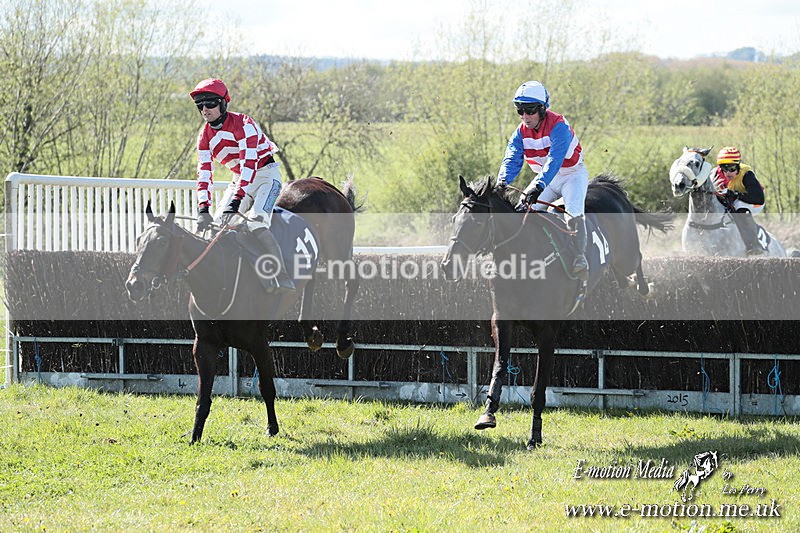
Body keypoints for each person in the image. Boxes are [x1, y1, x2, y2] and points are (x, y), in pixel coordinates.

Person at [190, 77, 295, 292]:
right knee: (216, 227)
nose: (205, 109)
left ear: (223, 103)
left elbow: (249, 164)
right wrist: (203, 208)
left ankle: (282, 275)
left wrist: (237, 200)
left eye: (210, 103)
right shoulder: (204, 137)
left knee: (256, 223)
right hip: (239, 180)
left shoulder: (245, 124)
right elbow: (204, 174)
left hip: (266, 176)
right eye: (200, 105)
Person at [496, 80, 589, 280]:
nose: (524, 116)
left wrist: (539, 185)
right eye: (520, 110)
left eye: (529, 110)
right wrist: (501, 183)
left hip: (572, 175)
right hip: (546, 178)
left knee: (573, 215)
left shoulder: (559, 126)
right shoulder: (520, 132)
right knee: (521, 212)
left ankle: (580, 258)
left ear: (542, 109)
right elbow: (512, 159)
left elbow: (555, 160)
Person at [711, 146, 767, 256]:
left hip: (754, 202)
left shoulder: (747, 174)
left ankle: (754, 244)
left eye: (732, 168)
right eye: (724, 168)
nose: (728, 172)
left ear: (738, 165)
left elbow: (759, 199)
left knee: (739, 206)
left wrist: (735, 194)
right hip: (732, 201)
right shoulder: (715, 173)